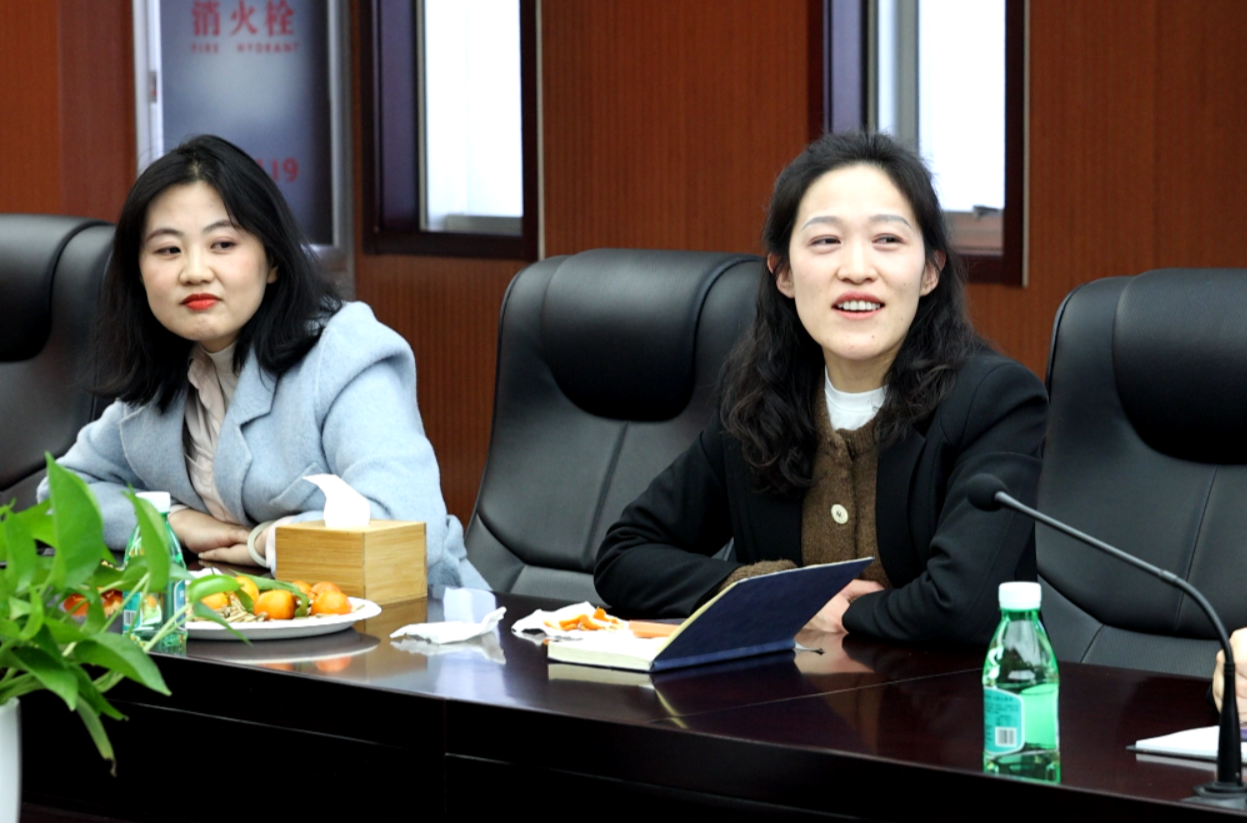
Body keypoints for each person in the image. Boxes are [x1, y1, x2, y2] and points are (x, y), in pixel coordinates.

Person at [594, 132, 1046, 645]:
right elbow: (625, 556)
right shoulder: (760, 401)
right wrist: (772, 591)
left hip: (956, 696)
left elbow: (960, 606)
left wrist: (830, 612)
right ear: (783, 273)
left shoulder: (995, 402)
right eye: (826, 241)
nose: (856, 270)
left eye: (887, 240)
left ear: (930, 271)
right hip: (784, 696)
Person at [40, 135, 485, 589]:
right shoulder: (161, 373)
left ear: (272, 260)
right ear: (138, 272)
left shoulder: (343, 352)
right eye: (168, 250)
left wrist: (268, 542)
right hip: (254, 623)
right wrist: (171, 521)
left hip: (416, 615)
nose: (195, 271)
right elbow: (61, 496)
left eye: (222, 244)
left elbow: (407, 524)